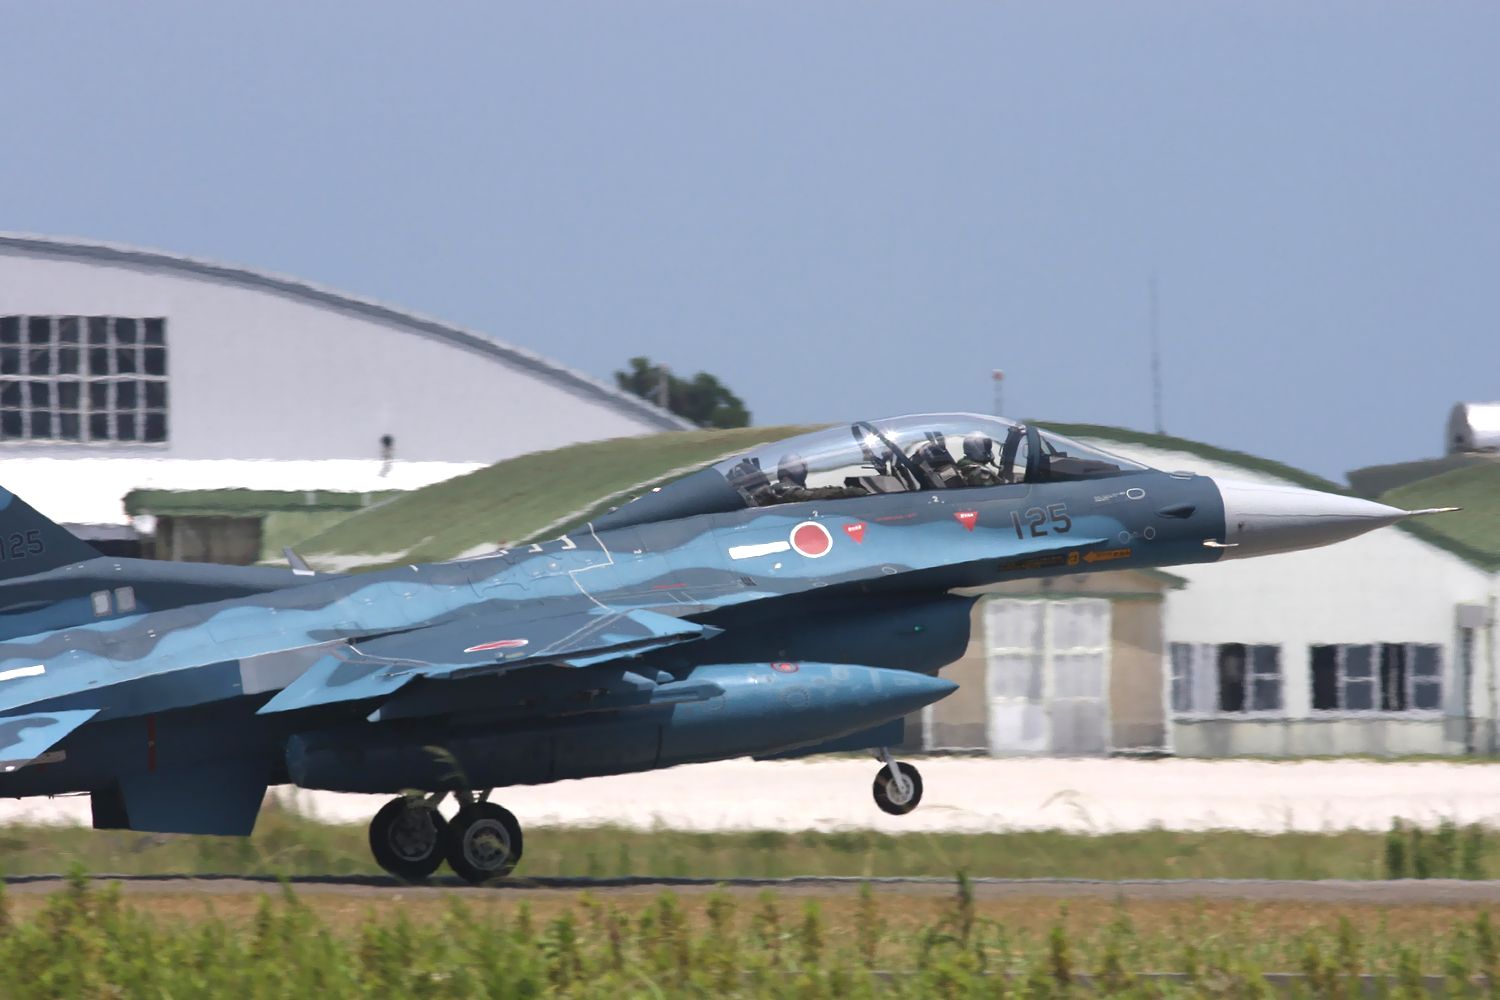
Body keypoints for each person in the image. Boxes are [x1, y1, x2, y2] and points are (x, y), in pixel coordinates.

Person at [768, 453, 865, 504]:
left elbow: (811, 491)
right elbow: (814, 495)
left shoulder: (782, 489)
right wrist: (847, 492)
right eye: (802, 466)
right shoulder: (787, 492)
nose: (805, 470)